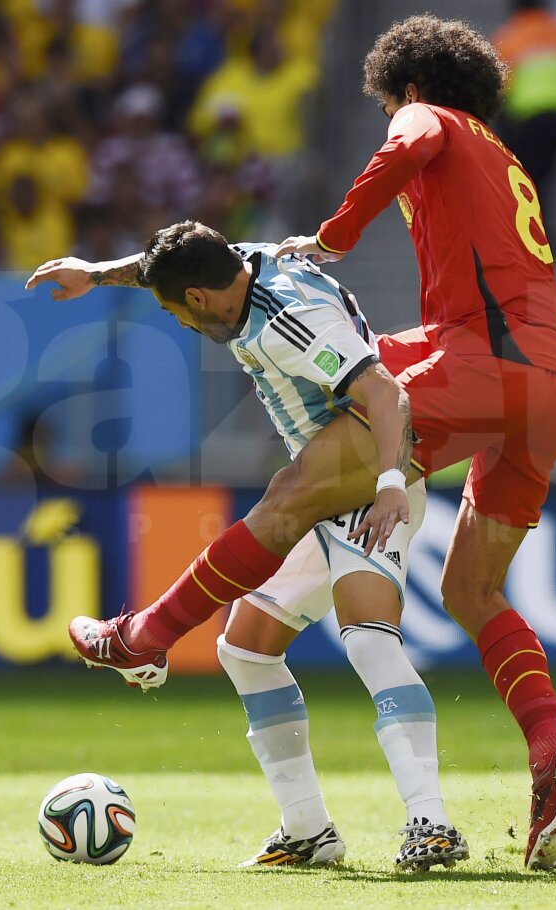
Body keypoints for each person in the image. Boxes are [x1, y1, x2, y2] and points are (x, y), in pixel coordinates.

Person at [26, 15, 556, 872]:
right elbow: (205, 259)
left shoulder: (427, 117)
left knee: (296, 495)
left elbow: (404, 151)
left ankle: (147, 636)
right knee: (472, 589)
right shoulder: (503, 157)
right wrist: (99, 271)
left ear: (407, 86)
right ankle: (551, 749)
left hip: (486, 362)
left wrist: (336, 235)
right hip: (554, 386)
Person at [39, 222, 468, 870]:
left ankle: (431, 823)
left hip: (366, 474)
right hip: (330, 476)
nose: (180, 324)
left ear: (202, 298)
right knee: (246, 649)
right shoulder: (245, 265)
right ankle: (308, 831)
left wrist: (387, 485)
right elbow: (164, 266)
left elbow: (384, 392)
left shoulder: (287, 321)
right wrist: (96, 272)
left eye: (175, 311)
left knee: (369, 636)